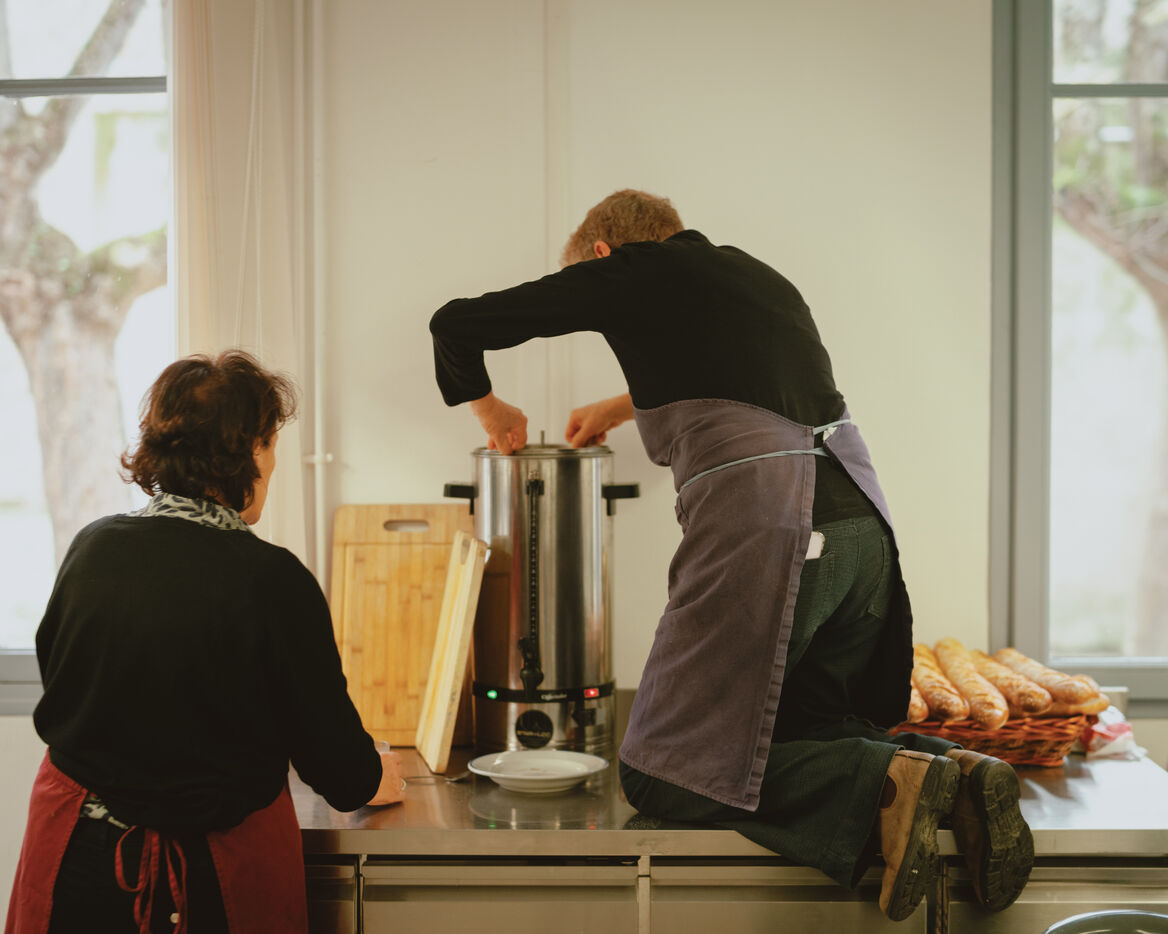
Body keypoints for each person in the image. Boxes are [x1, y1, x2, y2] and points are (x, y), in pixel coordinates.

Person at [429, 189, 1034, 920]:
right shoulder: (757, 276)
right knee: (803, 731)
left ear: (604, 254)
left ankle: (885, 783)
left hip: (774, 531)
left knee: (660, 772)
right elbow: (738, 374)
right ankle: (957, 774)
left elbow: (454, 324)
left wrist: (490, 409)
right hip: (860, 530)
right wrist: (618, 408)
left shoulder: (632, 269)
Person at [6, 350, 402, 934]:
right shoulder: (273, 580)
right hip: (204, 879)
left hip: (77, 862)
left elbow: (66, 687)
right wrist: (374, 778)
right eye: (271, 444)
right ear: (252, 451)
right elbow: (335, 763)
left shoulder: (93, 548)